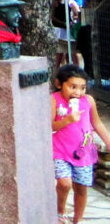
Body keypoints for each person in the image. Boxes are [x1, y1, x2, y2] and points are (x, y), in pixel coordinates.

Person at [52, 65, 110, 223]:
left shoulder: (88, 101)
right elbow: (50, 126)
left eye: (82, 88)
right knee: (64, 183)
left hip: (83, 153)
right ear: (59, 84)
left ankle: (78, 219)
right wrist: (67, 120)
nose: (78, 92)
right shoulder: (54, 99)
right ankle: (59, 212)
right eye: (73, 87)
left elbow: (97, 124)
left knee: (81, 187)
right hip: (61, 151)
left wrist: (108, 142)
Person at [53, 0, 83, 69]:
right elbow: (52, 16)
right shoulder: (55, 2)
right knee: (60, 52)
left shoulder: (70, 2)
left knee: (70, 52)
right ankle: (57, 71)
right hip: (59, 31)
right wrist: (63, 23)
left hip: (67, 32)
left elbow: (78, 13)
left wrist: (74, 22)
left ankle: (75, 70)